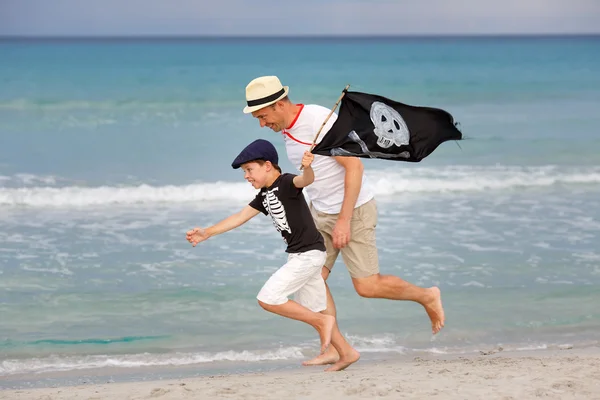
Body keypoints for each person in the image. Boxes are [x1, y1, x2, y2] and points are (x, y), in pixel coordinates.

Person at [242, 76, 445, 368]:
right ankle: (336, 348)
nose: (262, 124)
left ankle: (427, 295)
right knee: (310, 280)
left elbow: (354, 166)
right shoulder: (288, 130)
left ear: (278, 104)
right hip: (320, 212)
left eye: (263, 116)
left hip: (353, 209)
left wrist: (344, 221)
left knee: (367, 286)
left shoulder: (317, 120)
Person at [185, 138, 360, 371]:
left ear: (267, 165)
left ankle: (323, 323)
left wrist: (308, 166)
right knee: (315, 306)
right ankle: (345, 352)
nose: (246, 175)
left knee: (268, 298)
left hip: (309, 254)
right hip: (299, 255)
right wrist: (207, 232)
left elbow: (305, 180)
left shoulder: (286, 182)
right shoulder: (264, 195)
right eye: (244, 172)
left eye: (249, 169)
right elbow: (239, 217)